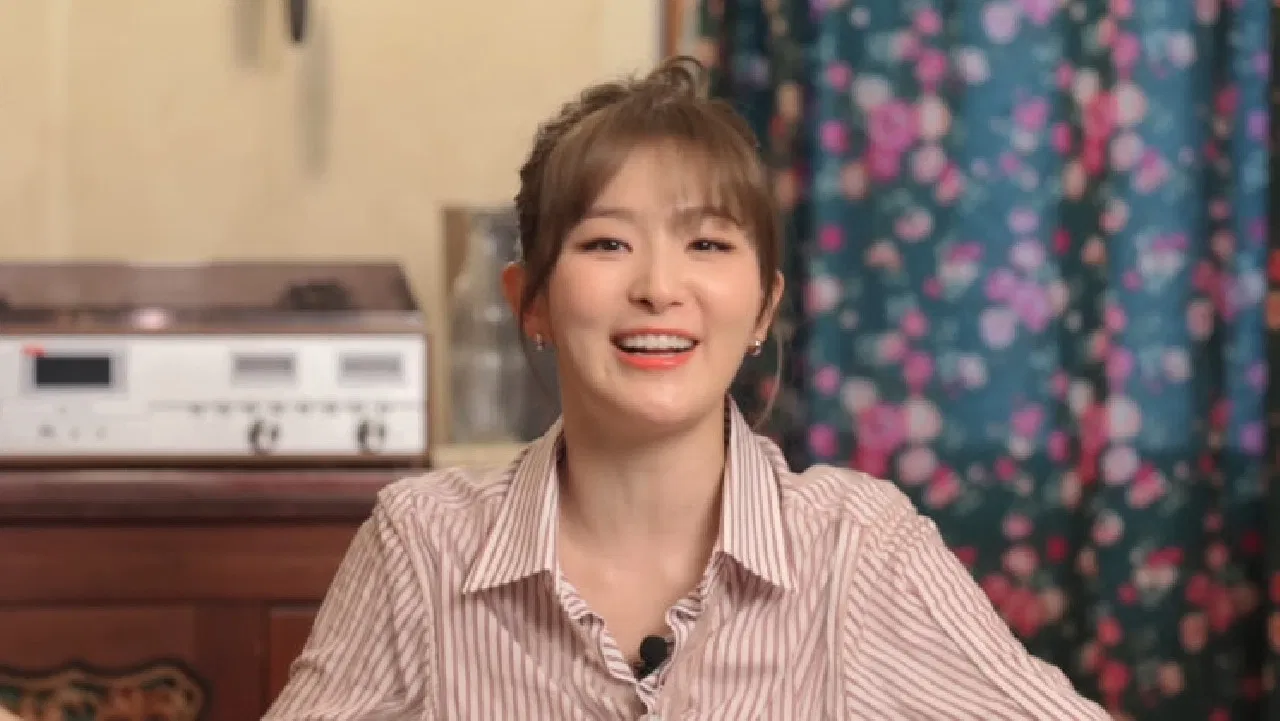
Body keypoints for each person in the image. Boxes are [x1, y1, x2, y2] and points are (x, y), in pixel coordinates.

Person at [262, 57, 1110, 720]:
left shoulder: (858, 548)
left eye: (707, 244)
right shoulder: (422, 545)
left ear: (762, 307)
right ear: (532, 302)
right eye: (606, 244)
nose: (659, 288)